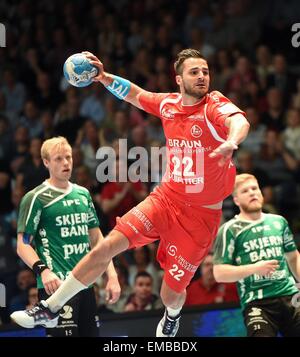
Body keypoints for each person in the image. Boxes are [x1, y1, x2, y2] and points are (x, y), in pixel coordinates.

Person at [11, 48, 249, 337]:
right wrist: (104, 77)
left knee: (170, 294)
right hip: (166, 199)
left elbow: (239, 121)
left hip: (200, 219)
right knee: (106, 247)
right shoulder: (169, 104)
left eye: (205, 71)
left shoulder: (214, 105)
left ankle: (172, 315)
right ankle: (50, 309)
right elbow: (136, 95)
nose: (202, 76)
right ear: (178, 79)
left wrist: (231, 141)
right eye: (194, 72)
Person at [11, 136, 120, 337]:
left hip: (85, 285)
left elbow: (98, 241)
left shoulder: (83, 194)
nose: (66, 163)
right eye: (58, 159)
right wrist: (43, 271)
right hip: (56, 287)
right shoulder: (35, 197)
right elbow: (22, 244)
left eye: (68, 157)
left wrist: (111, 276)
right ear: (46, 162)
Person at [213, 173, 300, 337]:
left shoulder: (278, 221)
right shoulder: (229, 230)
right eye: (245, 191)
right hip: (257, 303)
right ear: (236, 200)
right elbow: (219, 273)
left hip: (290, 295)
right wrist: (254, 268)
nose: (252, 193)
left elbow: (293, 257)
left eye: (255, 188)